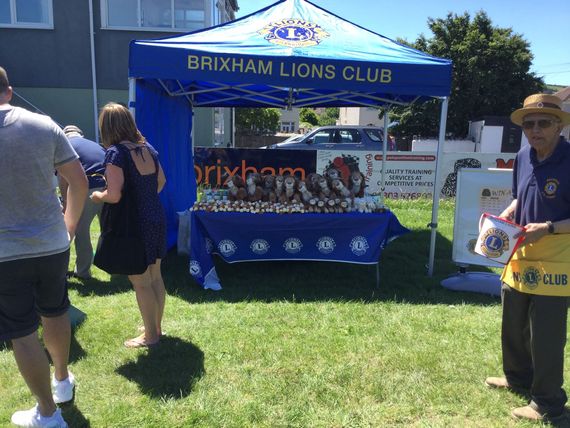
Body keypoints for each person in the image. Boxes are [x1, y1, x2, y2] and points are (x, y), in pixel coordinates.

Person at [0, 67, 88, 427]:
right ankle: (62, 381)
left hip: (6, 252)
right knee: (55, 312)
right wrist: (68, 226)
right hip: (52, 243)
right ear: (9, 91)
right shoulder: (43, 124)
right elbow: (79, 183)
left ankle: (48, 414)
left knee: (22, 332)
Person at [485, 93, 570, 421]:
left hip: (556, 257)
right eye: (529, 124)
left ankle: (548, 401)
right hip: (521, 252)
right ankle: (517, 377)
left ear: (559, 126)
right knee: (513, 321)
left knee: (546, 333)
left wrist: (548, 228)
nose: (535, 130)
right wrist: (505, 216)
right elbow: (519, 198)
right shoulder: (523, 156)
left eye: (543, 123)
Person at [91, 102, 167, 348]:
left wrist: (98, 196)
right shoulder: (148, 148)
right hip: (155, 215)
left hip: (134, 223)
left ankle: (150, 336)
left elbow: (114, 195)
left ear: (108, 127)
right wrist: (145, 198)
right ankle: (155, 326)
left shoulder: (115, 153)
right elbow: (161, 181)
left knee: (141, 281)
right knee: (155, 276)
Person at [60, 125, 106, 279]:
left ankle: (82, 271)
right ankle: (114, 266)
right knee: (108, 230)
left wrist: (66, 203)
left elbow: (63, 178)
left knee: (81, 230)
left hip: (88, 188)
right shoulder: (94, 144)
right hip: (108, 187)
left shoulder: (65, 146)